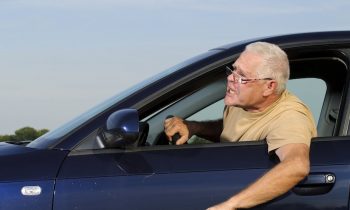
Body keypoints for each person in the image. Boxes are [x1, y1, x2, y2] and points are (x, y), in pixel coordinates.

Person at [164, 42, 317, 210]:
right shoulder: (244, 103)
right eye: (233, 69)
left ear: (269, 86)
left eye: (242, 75)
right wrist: (193, 127)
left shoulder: (289, 117)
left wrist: (230, 205)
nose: (230, 77)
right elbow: (229, 129)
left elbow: (297, 166)